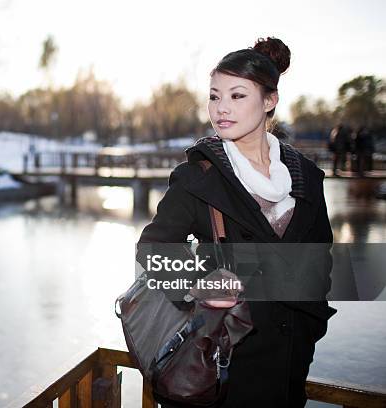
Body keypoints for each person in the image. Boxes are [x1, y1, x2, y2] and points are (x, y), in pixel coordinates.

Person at [137, 37, 337, 407]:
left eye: (237, 96)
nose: (221, 108)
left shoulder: (307, 177)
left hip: (290, 361)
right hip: (223, 361)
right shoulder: (199, 176)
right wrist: (199, 283)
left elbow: (321, 259)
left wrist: (311, 323)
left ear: (269, 101)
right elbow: (153, 250)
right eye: (214, 96)